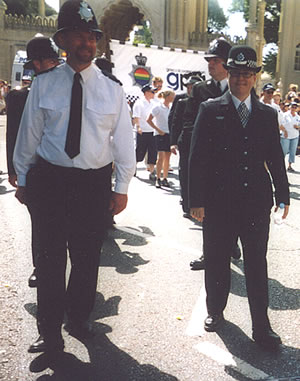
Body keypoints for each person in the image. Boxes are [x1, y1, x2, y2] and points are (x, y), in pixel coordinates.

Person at [13, 0, 135, 356]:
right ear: (64, 40)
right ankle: (49, 334)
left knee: (86, 260)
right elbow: (29, 134)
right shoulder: (44, 84)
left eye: (91, 36)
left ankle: (79, 319)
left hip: (92, 185)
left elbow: (125, 142)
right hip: (50, 182)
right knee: (49, 262)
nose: (87, 42)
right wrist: (22, 177)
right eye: (79, 36)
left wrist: (122, 187)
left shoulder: (112, 89)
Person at [189, 45, 290, 350]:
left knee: (257, 264)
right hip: (219, 204)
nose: (241, 79)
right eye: (236, 73)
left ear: (255, 77)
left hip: (255, 204)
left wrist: (283, 195)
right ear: (228, 74)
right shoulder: (210, 109)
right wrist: (196, 201)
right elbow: (197, 158)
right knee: (217, 260)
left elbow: (275, 156)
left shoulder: (267, 114)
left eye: (247, 74)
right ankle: (215, 311)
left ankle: (262, 327)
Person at [6, 36, 61, 288]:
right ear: (36, 64)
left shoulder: (69, 91)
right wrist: (14, 171)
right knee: (39, 222)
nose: (53, 65)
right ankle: (40, 266)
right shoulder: (19, 98)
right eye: (49, 61)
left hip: (63, 168)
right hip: (36, 170)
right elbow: (13, 134)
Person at [182, 38, 241, 270]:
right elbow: (189, 123)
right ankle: (210, 254)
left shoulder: (242, 86)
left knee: (234, 207)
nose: (210, 65)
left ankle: (232, 241)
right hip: (209, 164)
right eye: (209, 61)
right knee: (209, 214)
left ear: (227, 63)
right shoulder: (200, 90)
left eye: (215, 61)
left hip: (235, 163)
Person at [170, 75, 202, 216]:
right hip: (186, 141)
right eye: (188, 87)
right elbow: (174, 121)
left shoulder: (204, 101)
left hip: (201, 141)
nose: (190, 89)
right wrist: (173, 142)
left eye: (193, 87)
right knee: (185, 173)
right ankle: (187, 204)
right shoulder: (181, 101)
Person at [147, 90, 175, 188]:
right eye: (172, 95)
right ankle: (158, 178)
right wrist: (158, 130)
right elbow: (149, 120)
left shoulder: (172, 108)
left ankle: (165, 178)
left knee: (168, 157)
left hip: (169, 134)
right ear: (167, 96)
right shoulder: (157, 107)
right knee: (161, 156)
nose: (174, 97)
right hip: (160, 134)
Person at [133, 84, 157, 180]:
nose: (153, 93)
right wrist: (138, 127)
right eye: (152, 92)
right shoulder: (139, 103)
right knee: (140, 151)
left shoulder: (153, 103)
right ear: (146, 92)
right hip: (142, 131)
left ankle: (152, 172)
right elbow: (136, 117)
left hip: (152, 131)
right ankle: (134, 167)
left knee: (153, 152)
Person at [280, 102, 300, 172]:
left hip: (295, 136)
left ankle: (290, 166)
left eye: (295, 107)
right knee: (284, 151)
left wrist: (298, 127)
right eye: (292, 107)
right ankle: (281, 165)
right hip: (286, 136)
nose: (293, 108)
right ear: (289, 107)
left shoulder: (298, 117)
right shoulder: (285, 115)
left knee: (293, 152)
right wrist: (284, 131)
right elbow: (280, 124)